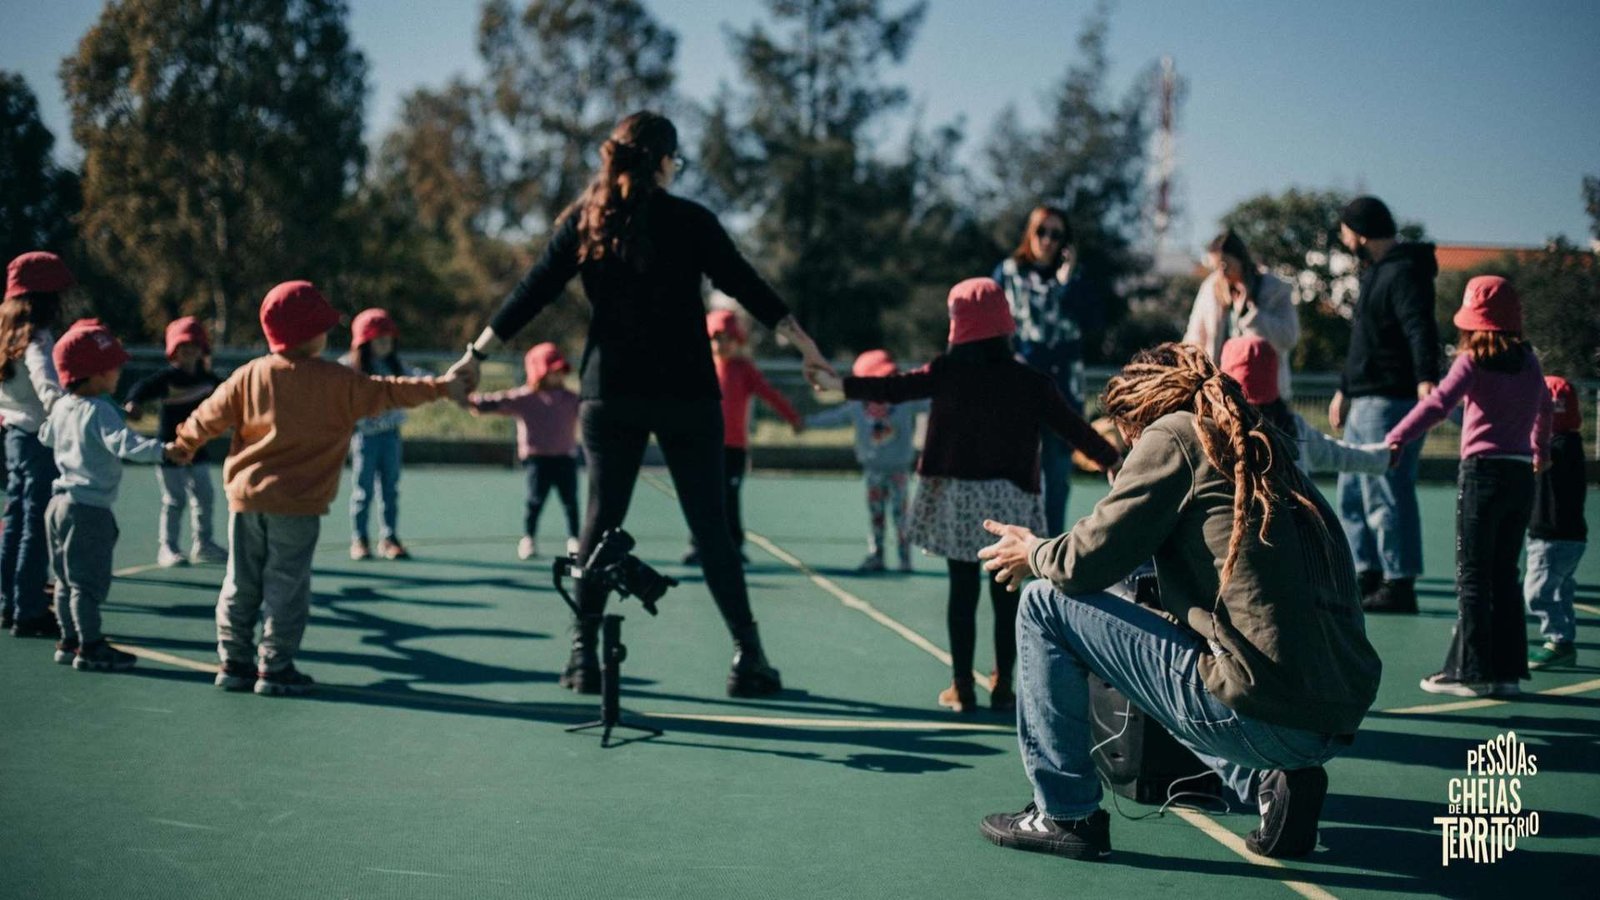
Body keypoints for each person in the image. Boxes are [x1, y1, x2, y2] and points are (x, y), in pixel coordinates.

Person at [447, 111, 834, 698]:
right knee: (711, 531)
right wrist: (805, 344)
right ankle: (748, 657)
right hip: (686, 393)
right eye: (676, 160)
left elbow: (531, 292)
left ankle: (582, 658)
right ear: (662, 161)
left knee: (600, 524)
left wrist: (475, 354)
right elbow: (745, 283)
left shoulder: (587, 221)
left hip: (612, 394)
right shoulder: (690, 220)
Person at [976, 343, 1381, 862]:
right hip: (1333, 714)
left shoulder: (1173, 434)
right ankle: (1267, 785)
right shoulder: (1260, 443)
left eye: (1126, 436)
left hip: (1264, 716)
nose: (1129, 448)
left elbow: (1084, 562)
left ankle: (1064, 814)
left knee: (1041, 602)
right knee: (1167, 645)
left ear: (1138, 413)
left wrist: (1032, 551)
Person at [814, 278, 1120, 713]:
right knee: (1007, 593)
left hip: (958, 499)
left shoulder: (945, 372)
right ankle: (1003, 684)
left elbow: (893, 388)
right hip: (1011, 502)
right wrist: (1111, 459)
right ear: (1004, 325)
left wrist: (839, 384)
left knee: (962, 591)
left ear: (958, 327)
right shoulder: (1029, 380)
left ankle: (961, 685)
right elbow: (1071, 426)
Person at [171, 281, 466, 696]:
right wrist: (441, 387)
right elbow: (390, 391)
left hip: (247, 499)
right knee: (286, 586)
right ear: (315, 333)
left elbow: (207, 415)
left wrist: (183, 445)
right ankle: (274, 666)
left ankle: (233, 660)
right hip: (298, 504)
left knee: (240, 581)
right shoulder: (338, 381)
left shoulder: (248, 375)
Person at [1386, 276, 1550, 697]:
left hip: (1481, 474)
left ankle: (1472, 672)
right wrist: (1539, 448)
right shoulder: (1529, 361)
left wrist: (1398, 437)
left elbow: (1439, 404)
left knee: (1473, 577)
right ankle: (1508, 672)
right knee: (1504, 576)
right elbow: (1544, 406)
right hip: (1519, 476)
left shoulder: (1473, 360)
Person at [40, 320, 183, 670]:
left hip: (57, 504)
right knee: (87, 584)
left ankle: (67, 640)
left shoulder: (62, 406)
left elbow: (45, 436)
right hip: (88, 509)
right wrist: (165, 451)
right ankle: (90, 646)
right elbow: (125, 444)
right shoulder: (99, 409)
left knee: (64, 579)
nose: (119, 370)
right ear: (93, 373)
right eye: (112, 366)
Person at [1328, 196, 1441, 614]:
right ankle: (1367, 572)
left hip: (1391, 401)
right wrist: (1346, 389)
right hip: (1364, 399)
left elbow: (1419, 327)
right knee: (1353, 494)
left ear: (1359, 232)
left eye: (1344, 231)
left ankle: (1399, 582)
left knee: (1387, 492)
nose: (1343, 239)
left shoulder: (1405, 272)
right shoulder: (1376, 273)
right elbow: (1365, 343)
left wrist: (1426, 378)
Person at [992, 206, 1104, 536]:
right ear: (1030, 232)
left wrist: (1067, 281)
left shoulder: (1075, 277)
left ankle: (1048, 555)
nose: (1048, 240)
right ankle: (1015, 546)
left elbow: (1093, 323)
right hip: (1021, 385)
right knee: (1020, 472)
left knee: (1057, 475)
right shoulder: (1009, 271)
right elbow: (991, 321)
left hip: (1064, 390)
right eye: (1042, 231)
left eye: (1056, 234)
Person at [682, 309, 805, 565]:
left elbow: (769, 394)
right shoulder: (699, 368)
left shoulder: (743, 369)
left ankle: (733, 545)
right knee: (702, 496)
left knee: (729, 497)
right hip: (705, 446)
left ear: (736, 339)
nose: (720, 344)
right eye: (715, 338)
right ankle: (699, 544)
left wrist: (793, 418)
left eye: (726, 338)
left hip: (733, 448)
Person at [805, 349, 928, 573]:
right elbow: (835, 418)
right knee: (876, 515)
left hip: (898, 469)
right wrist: (805, 423)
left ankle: (904, 559)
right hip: (873, 470)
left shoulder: (904, 401)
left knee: (901, 517)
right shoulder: (858, 405)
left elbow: (932, 401)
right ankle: (877, 556)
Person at [0, 252, 70, 637]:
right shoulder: (38, 338)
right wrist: (67, 416)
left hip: (13, 435)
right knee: (36, 524)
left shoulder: (4, 333)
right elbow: (47, 384)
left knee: (13, 520)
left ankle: (8, 603)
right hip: (39, 439)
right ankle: (29, 609)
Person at [123, 316, 228, 567]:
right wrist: (133, 403)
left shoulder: (209, 379)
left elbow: (229, 394)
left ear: (202, 349)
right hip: (170, 450)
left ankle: (204, 544)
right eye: (183, 347)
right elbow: (140, 389)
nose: (189, 352)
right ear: (173, 351)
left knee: (205, 496)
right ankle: (168, 547)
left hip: (198, 449)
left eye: (194, 346)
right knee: (175, 499)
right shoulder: (167, 378)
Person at [467, 343, 583, 561]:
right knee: (535, 500)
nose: (557, 376)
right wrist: (472, 400)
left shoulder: (571, 398)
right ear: (539, 372)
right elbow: (497, 401)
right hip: (537, 460)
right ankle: (528, 538)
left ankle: (575, 540)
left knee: (570, 501)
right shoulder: (526, 397)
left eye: (560, 371)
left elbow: (590, 410)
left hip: (565, 457)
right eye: (552, 371)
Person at [1218, 336, 1389, 476]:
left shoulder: (1212, 437)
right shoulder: (1293, 430)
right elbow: (1339, 454)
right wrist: (1384, 456)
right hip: (1295, 518)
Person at [342, 308, 422, 561]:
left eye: (389, 339)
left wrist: (446, 382)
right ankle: (360, 539)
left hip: (391, 437)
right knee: (362, 490)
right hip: (365, 438)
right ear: (364, 342)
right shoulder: (350, 369)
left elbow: (422, 379)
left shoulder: (396, 367)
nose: (385, 343)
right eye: (379, 338)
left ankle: (389, 538)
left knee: (390, 488)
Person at [1184, 230, 1299, 398]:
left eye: (1225, 265)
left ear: (1240, 259)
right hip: (1219, 393)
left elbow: (1289, 337)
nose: (1221, 273)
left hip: (1265, 395)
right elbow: (1193, 339)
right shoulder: (1210, 289)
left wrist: (1252, 315)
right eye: (1215, 267)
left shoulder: (1274, 288)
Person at [1524, 376, 1586, 670]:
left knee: (1537, 592)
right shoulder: (1572, 444)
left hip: (1552, 536)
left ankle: (1559, 639)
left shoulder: (1551, 451)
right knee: (1562, 589)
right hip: (1571, 536)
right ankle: (1565, 640)